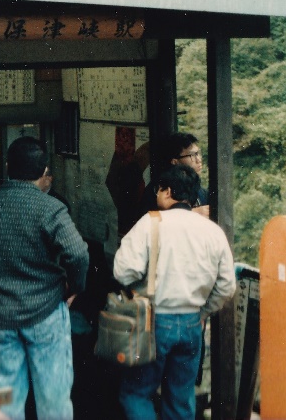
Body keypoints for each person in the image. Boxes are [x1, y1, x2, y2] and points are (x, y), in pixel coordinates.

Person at [0, 137, 89, 420]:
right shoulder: (50, 208)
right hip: (46, 312)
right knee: (53, 399)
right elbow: (78, 254)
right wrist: (73, 288)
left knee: (7, 400)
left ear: (7, 166)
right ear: (44, 170)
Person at [113, 164, 236, 420]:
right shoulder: (212, 231)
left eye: (158, 191)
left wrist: (143, 284)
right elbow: (227, 285)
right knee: (180, 398)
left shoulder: (151, 223)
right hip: (192, 324)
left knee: (135, 393)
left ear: (167, 192)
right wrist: (203, 311)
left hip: (154, 322)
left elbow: (123, 272)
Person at [159, 132, 209, 217]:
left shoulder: (202, 192)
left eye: (198, 153)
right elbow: (151, 219)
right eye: (192, 155)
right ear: (175, 162)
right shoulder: (159, 189)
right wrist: (192, 212)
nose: (199, 159)